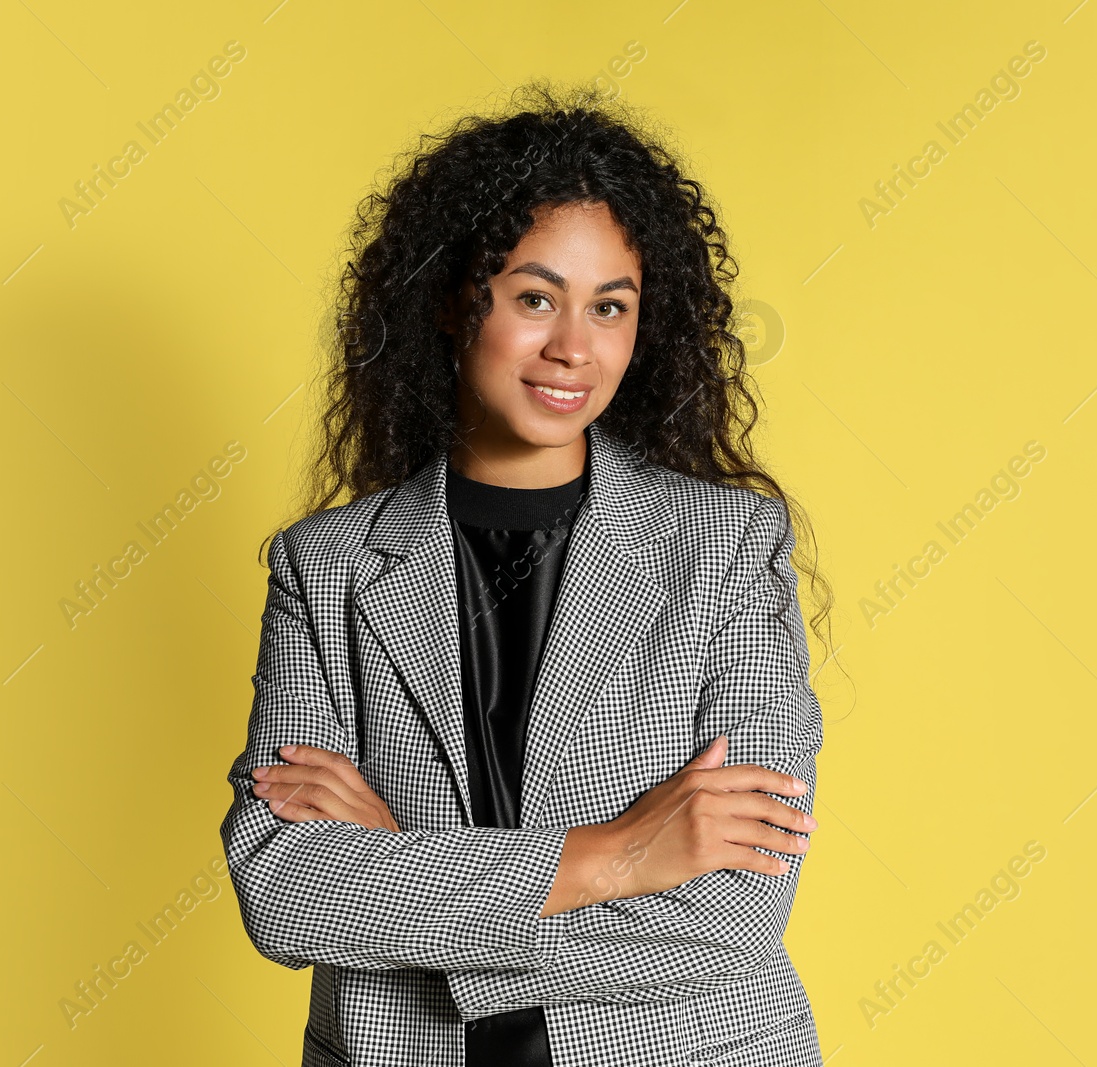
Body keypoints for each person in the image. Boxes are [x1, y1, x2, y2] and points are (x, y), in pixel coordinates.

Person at [220, 80, 835, 1067]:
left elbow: (735, 908)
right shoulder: (323, 568)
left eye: (610, 306)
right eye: (535, 296)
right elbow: (285, 887)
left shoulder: (727, 550)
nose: (573, 348)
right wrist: (619, 854)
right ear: (457, 299)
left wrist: (407, 875)